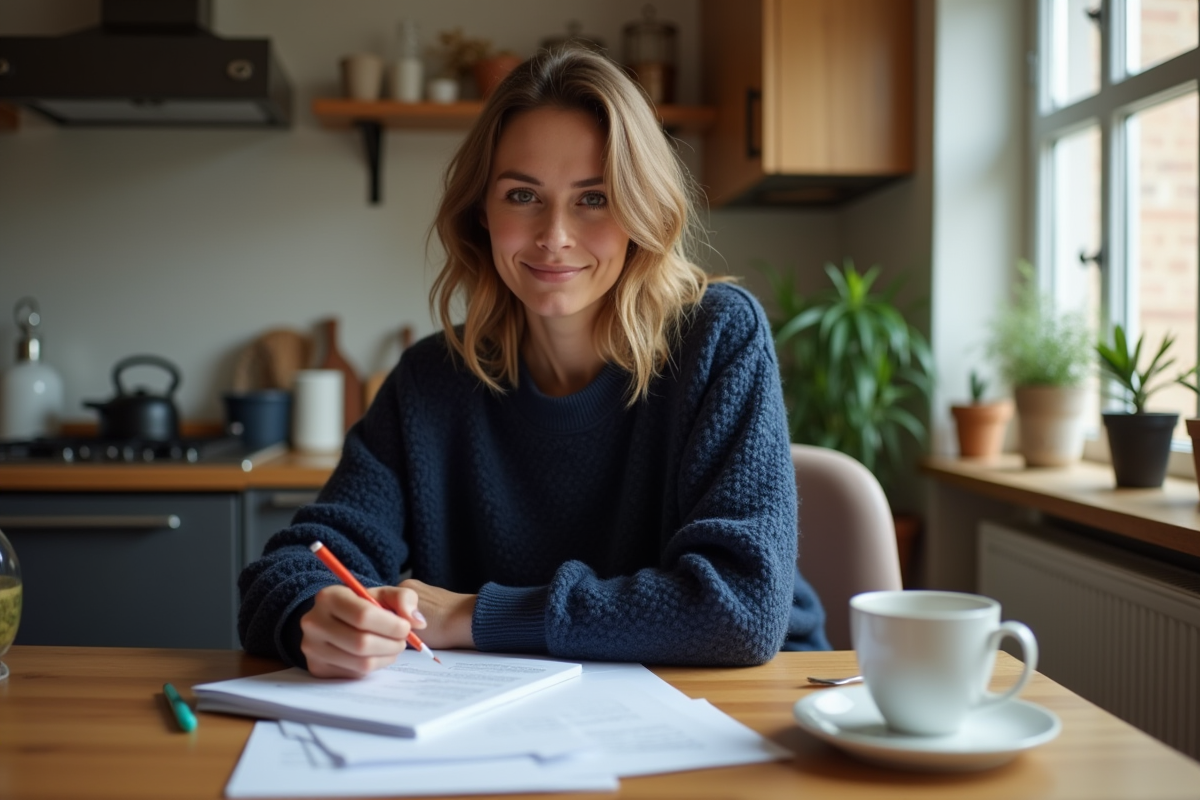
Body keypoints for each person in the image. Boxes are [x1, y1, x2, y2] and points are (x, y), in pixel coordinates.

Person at [238, 47, 828, 678]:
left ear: (642, 213)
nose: (554, 235)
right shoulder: (429, 379)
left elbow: (739, 607)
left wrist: (472, 615)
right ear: (481, 213)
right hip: (496, 710)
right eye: (522, 194)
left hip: (738, 701)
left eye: (594, 198)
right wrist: (312, 613)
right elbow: (299, 561)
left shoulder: (718, 337)